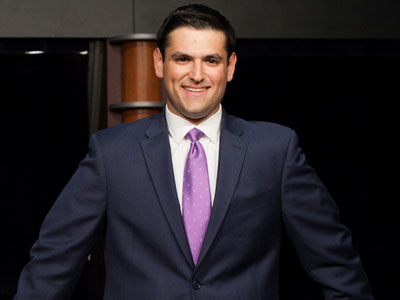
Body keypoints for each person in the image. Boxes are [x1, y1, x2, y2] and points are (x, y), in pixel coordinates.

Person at [14, 4, 374, 300]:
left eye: (211, 60)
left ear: (230, 67)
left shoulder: (276, 150)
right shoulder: (111, 153)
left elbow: (337, 265)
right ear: (160, 63)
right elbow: (51, 266)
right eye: (183, 59)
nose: (197, 74)